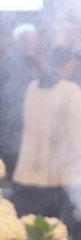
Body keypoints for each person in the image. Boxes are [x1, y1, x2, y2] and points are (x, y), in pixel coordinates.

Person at [11, 46, 81, 240]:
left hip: (31, 167)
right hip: (60, 170)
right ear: (68, 64)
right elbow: (78, 129)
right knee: (66, 226)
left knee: (33, 227)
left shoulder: (33, 87)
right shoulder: (71, 90)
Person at [0, 23, 42, 178]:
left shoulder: (32, 60)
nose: (31, 44)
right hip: (13, 130)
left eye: (32, 40)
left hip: (23, 130)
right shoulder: (12, 63)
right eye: (26, 40)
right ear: (18, 42)